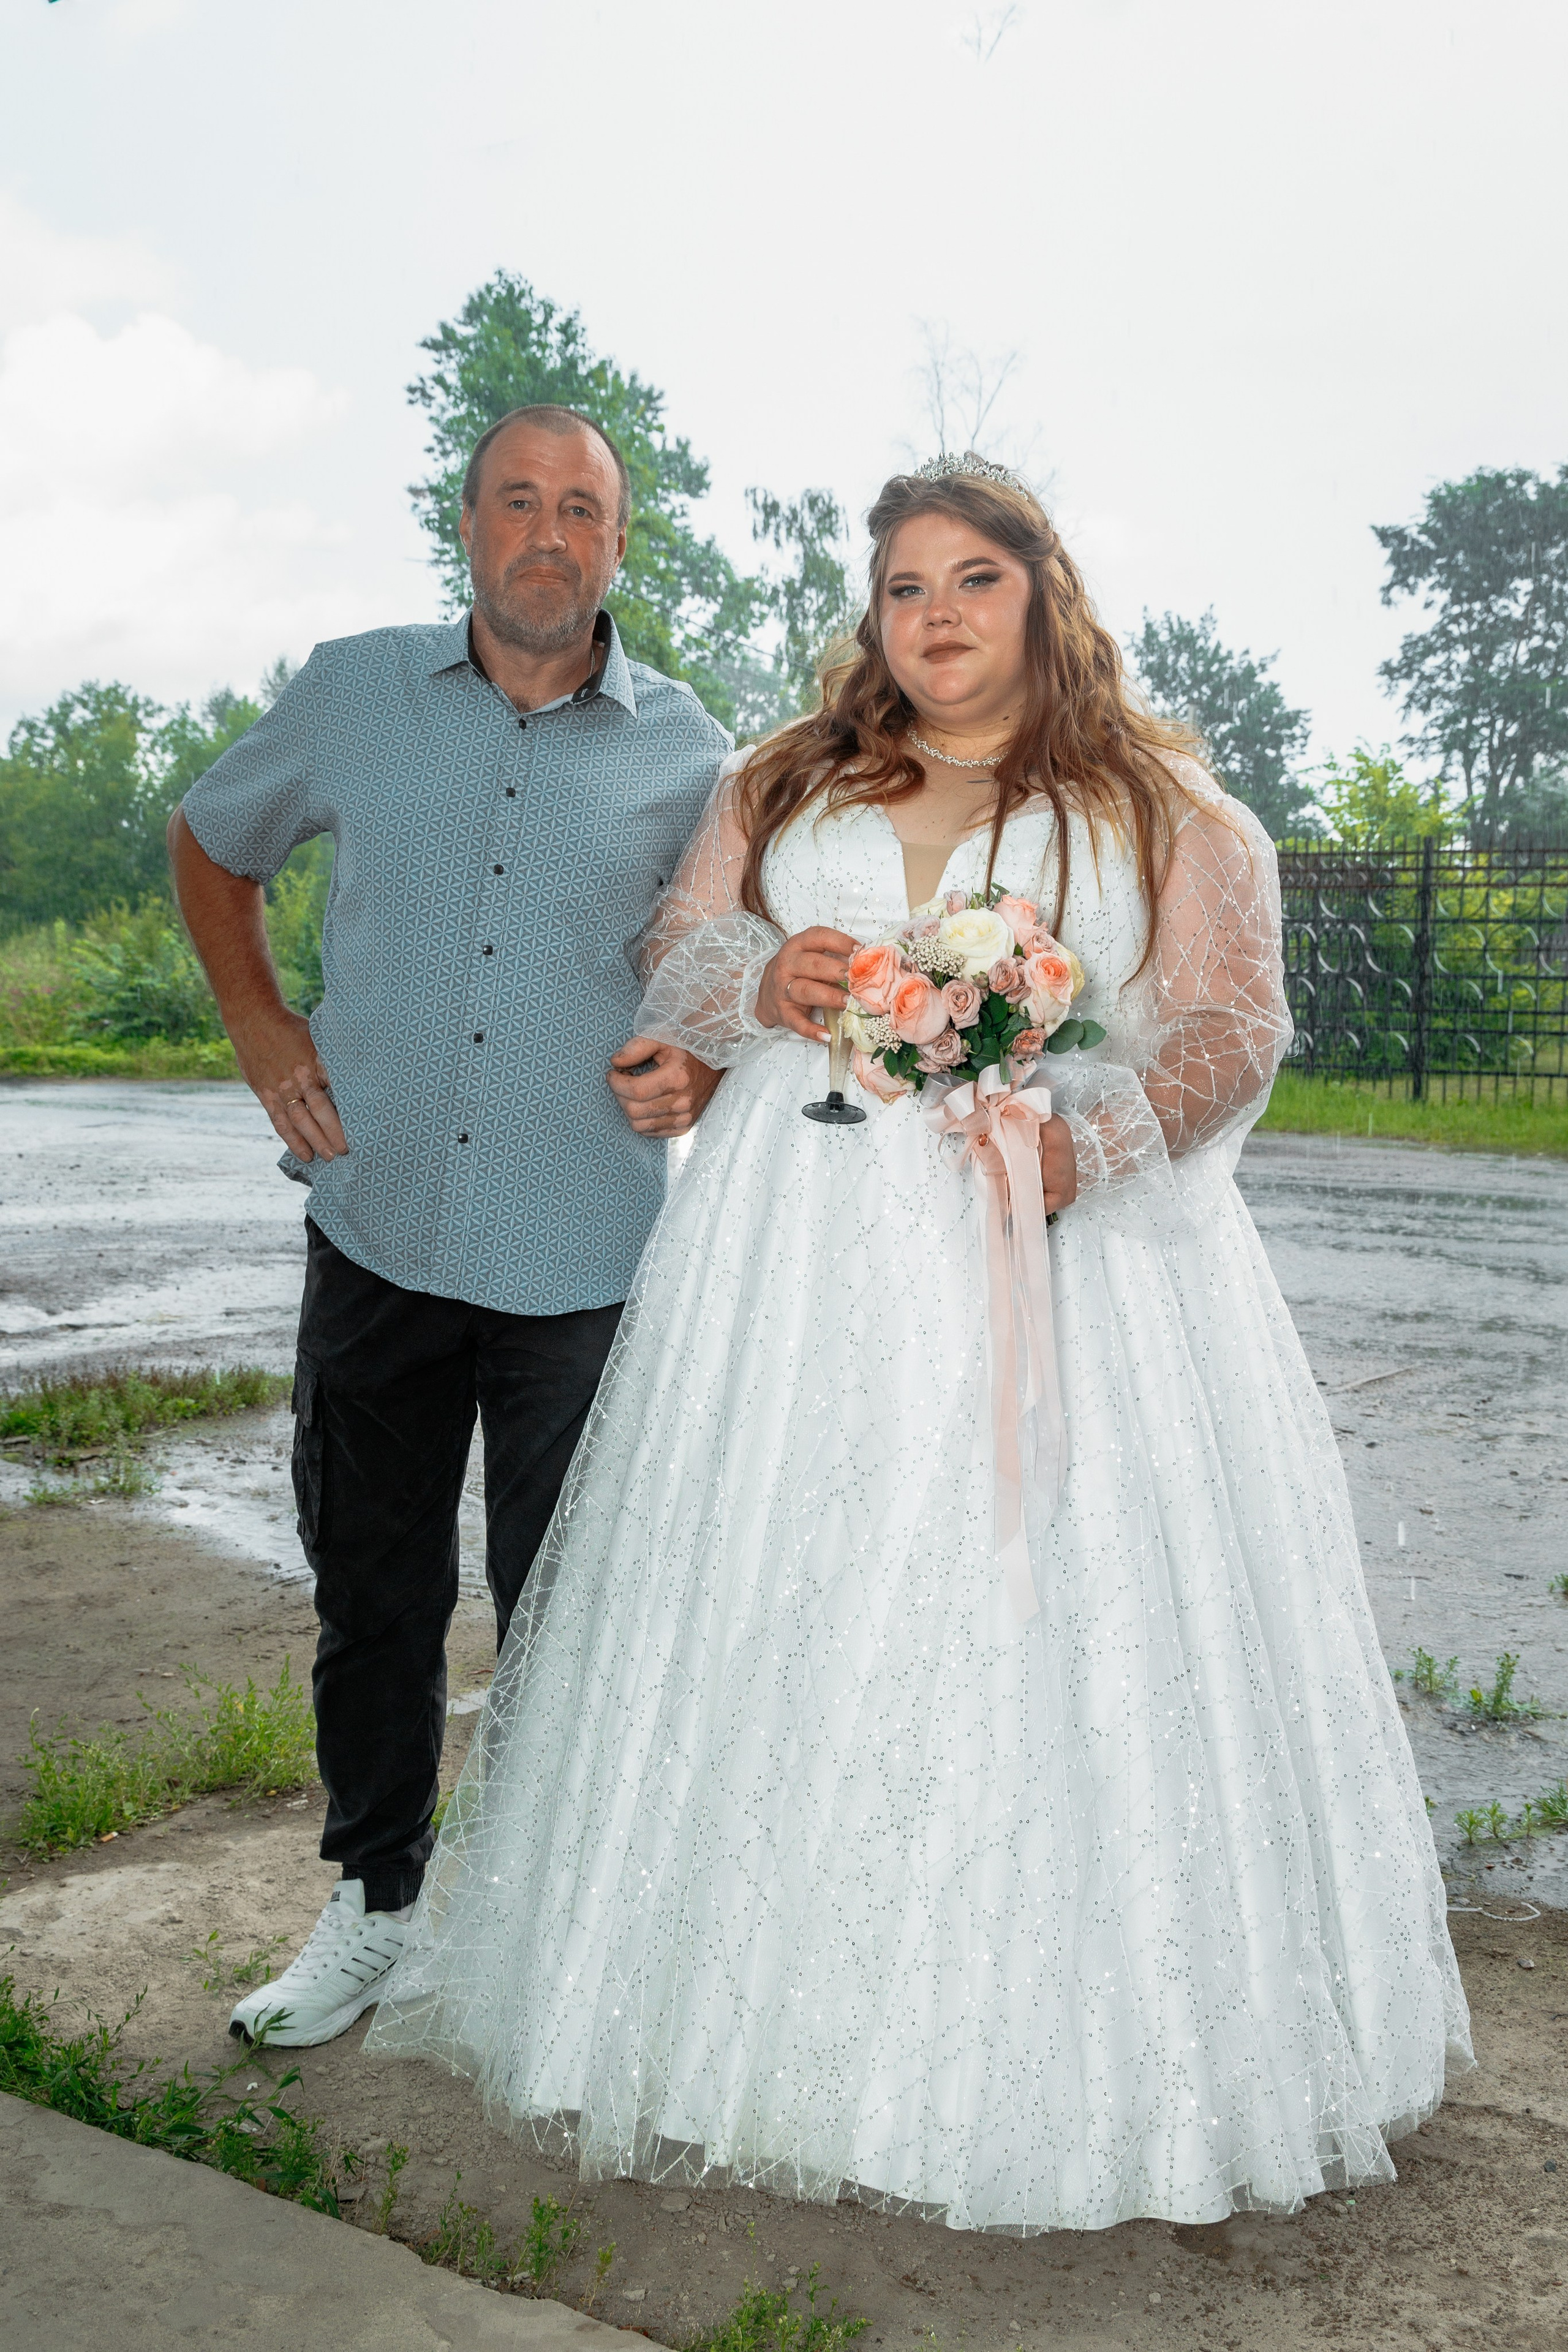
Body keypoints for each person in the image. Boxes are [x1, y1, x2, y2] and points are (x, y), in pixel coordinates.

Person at [368, 453, 1471, 2231]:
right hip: (789, 1259)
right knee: (779, 1591)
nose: (936, 617)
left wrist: (1083, 1142)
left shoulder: (1155, 800)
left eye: (974, 579)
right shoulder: (783, 774)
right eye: (903, 589)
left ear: (1043, 590)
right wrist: (760, 984)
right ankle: (744, 2021)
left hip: (1057, 1267)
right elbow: (681, 941)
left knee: (1028, 1606)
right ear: (868, 615)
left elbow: (1231, 1024)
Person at [168, 404, 731, 2048]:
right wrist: (263, 1027)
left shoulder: (697, 755)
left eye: (582, 509)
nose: (547, 534)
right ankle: (377, 1904)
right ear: (467, 523)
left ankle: (550, 1926)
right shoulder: (352, 691)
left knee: (564, 1606)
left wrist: (697, 1050)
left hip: (583, 1254)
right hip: (379, 1226)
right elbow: (213, 844)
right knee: (377, 1590)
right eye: (516, 502)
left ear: (621, 544)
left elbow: (725, 959)